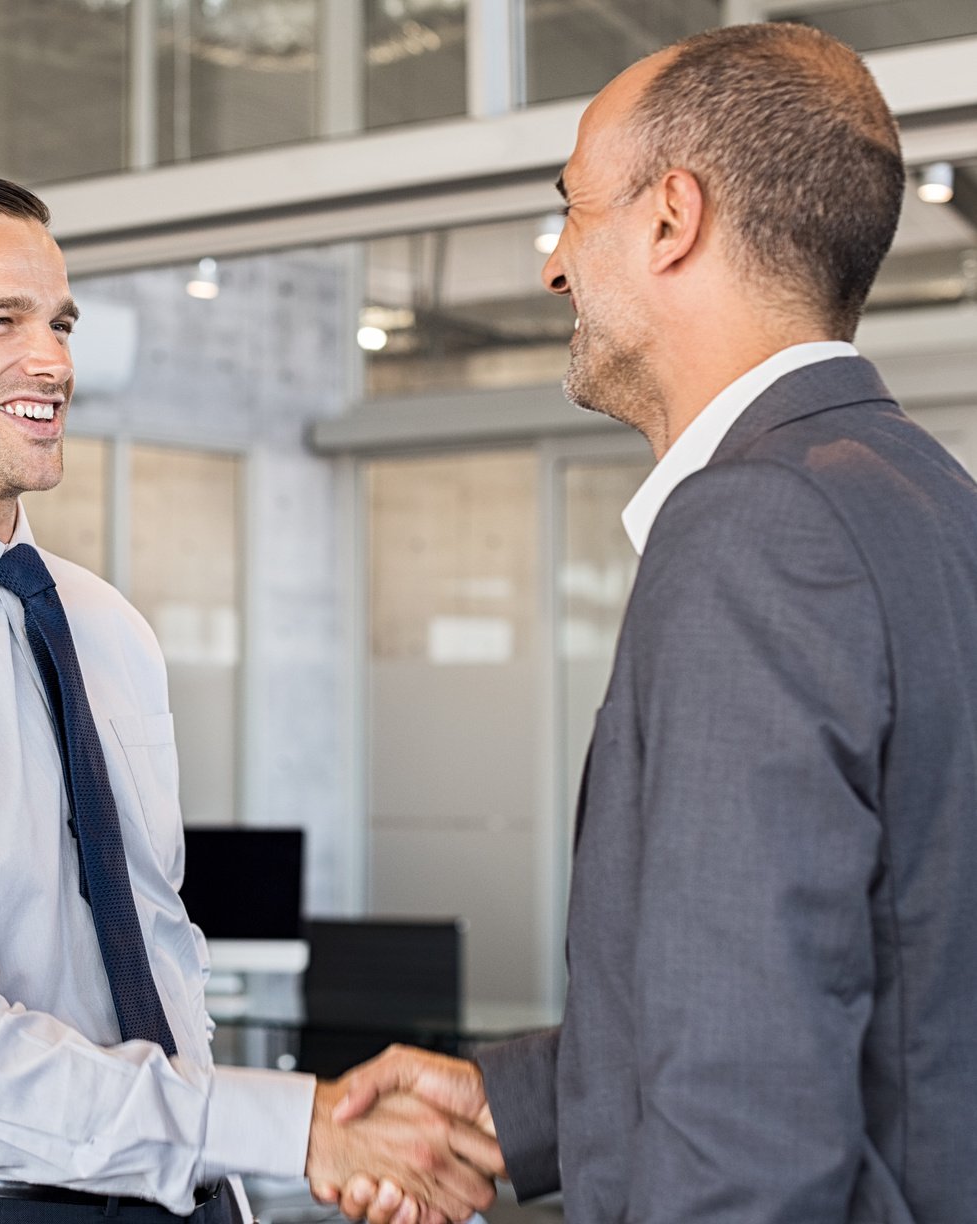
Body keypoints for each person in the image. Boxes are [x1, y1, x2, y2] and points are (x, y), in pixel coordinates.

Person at [0, 175, 503, 1224]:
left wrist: (292, 1160)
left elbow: (160, 952)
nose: (49, 360)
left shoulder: (101, 628)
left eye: (58, 323)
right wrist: (291, 1126)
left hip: (186, 1197)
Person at [330, 21, 977, 1224]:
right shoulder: (924, 499)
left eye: (572, 211)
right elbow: (886, 980)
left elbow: (744, 1095)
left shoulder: (754, 527)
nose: (552, 266)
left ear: (670, 218)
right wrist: (511, 1104)